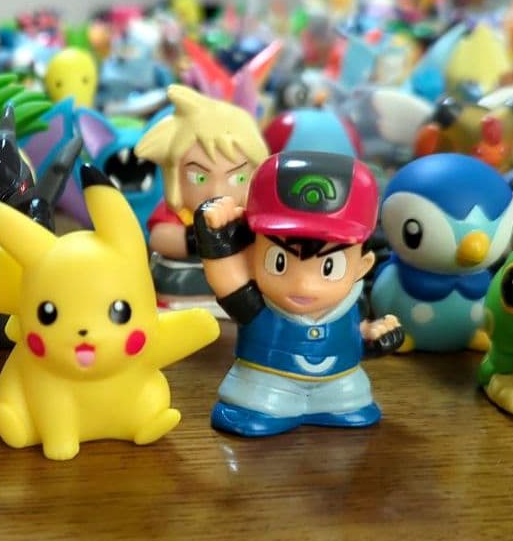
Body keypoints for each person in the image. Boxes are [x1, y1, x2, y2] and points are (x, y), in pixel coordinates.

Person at [193, 150, 404, 437]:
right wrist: (214, 238)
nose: (304, 285)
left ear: (362, 266)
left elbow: (358, 333)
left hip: (340, 384)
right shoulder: (260, 306)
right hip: (267, 382)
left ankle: (333, 406)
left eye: (329, 267)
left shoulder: (353, 304)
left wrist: (374, 337)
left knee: (352, 402)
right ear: (251, 254)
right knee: (255, 407)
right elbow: (227, 283)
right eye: (279, 262)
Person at [136, 85, 269, 312]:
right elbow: (159, 238)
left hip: (237, 286)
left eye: (236, 178)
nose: (216, 191)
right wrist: (198, 236)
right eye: (199, 178)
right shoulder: (179, 213)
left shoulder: (247, 216)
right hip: (183, 284)